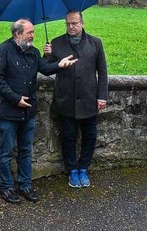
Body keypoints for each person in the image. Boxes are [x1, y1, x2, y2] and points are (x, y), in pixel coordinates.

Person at [0, 18, 77, 204]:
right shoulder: (3, 51)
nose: (33, 35)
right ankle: (6, 188)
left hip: (28, 113)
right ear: (17, 34)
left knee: (26, 151)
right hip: (8, 113)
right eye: (29, 32)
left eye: (33, 32)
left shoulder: (33, 52)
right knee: (6, 152)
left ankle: (25, 185)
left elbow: (45, 69)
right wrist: (15, 99)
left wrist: (58, 64)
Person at [43, 10, 108, 188]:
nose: (71, 27)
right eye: (68, 24)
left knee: (90, 136)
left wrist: (102, 96)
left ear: (82, 23)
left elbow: (102, 72)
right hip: (66, 100)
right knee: (68, 137)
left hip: (89, 99)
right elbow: (46, 69)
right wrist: (47, 55)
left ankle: (83, 168)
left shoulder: (95, 43)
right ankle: (72, 170)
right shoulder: (56, 43)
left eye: (74, 23)